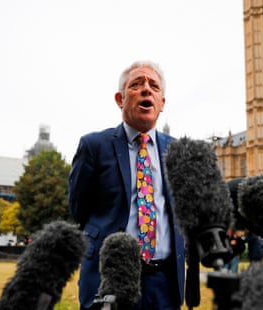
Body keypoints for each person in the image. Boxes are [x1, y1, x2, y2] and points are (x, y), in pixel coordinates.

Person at [69, 60, 185, 310]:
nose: (146, 89)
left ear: (162, 103)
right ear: (120, 99)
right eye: (137, 84)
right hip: (109, 280)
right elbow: (79, 210)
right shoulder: (94, 146)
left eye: (154, 86)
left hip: (163, 283)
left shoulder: (178, 151)